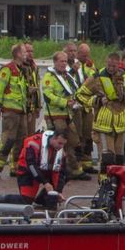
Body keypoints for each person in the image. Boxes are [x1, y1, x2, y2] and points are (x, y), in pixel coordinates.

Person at [76, 52, 125, 173]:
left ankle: (117, 184)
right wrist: (97, 101)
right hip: (103, 123)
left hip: (121, 124)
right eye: (109, 65)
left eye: (114, 66)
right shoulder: (97, 77)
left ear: (119, 64)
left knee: (119, 158)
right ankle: (105, 183)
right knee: (107, 158)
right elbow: (80, 95)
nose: (111, 69)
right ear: (106, 63)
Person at [41, 51, 86, 180]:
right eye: (61, 61)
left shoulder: (67, 76)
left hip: (67, 114)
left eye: (65, 61)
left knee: (74, 141)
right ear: (55, 62)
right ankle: (61, 170)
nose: (64, 63)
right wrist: (65, 102)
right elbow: (48, 96)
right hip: (55, 116)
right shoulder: (49, 77)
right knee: (60, 144)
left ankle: (75, 169)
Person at [0, 44, 30, 180]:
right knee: (8, 140)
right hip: (10, 112)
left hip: (20, 111)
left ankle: (16, 167)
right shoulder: (8, 70)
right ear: (18, 54)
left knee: (21, 140)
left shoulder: (21, 70)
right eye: (24, 52)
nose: (26, 54)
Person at [14, 129, 69, 208]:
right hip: (28, 172)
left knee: (68, 174)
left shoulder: (60, 151)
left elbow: (61, 172)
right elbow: (31, 166)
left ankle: (41, 200)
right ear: (53, 138)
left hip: (45, 172)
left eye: (63, 144)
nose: (61, 147)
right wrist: (45, 183)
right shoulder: (33, 143)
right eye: (59, 143)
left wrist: (58, 191)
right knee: (26, 201)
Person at [71, 43, 97, 174]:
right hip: (76, 106)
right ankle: (78, 163)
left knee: (88, 134)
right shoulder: (71, 65)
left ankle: (87, 161)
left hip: (87, 105)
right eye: (84, 55)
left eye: (88, 55)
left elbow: (94, 78)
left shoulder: (89, 65)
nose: (86, 57)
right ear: (78, 53)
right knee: (78, 135)